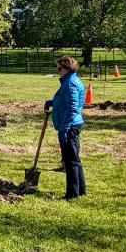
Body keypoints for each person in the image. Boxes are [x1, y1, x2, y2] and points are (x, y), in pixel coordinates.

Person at [44, 56, 87, 200]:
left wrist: (65, 128)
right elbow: (66, 101)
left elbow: (72, 108)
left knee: (70, 161)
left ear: (67, 68)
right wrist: (53, 102)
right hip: (71, 124)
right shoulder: (70, 81)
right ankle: (81, 190)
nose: (58, 71)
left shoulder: (70, 83)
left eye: (59, 69)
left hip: (70, 126)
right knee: (74, 158)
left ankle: (72, 194)